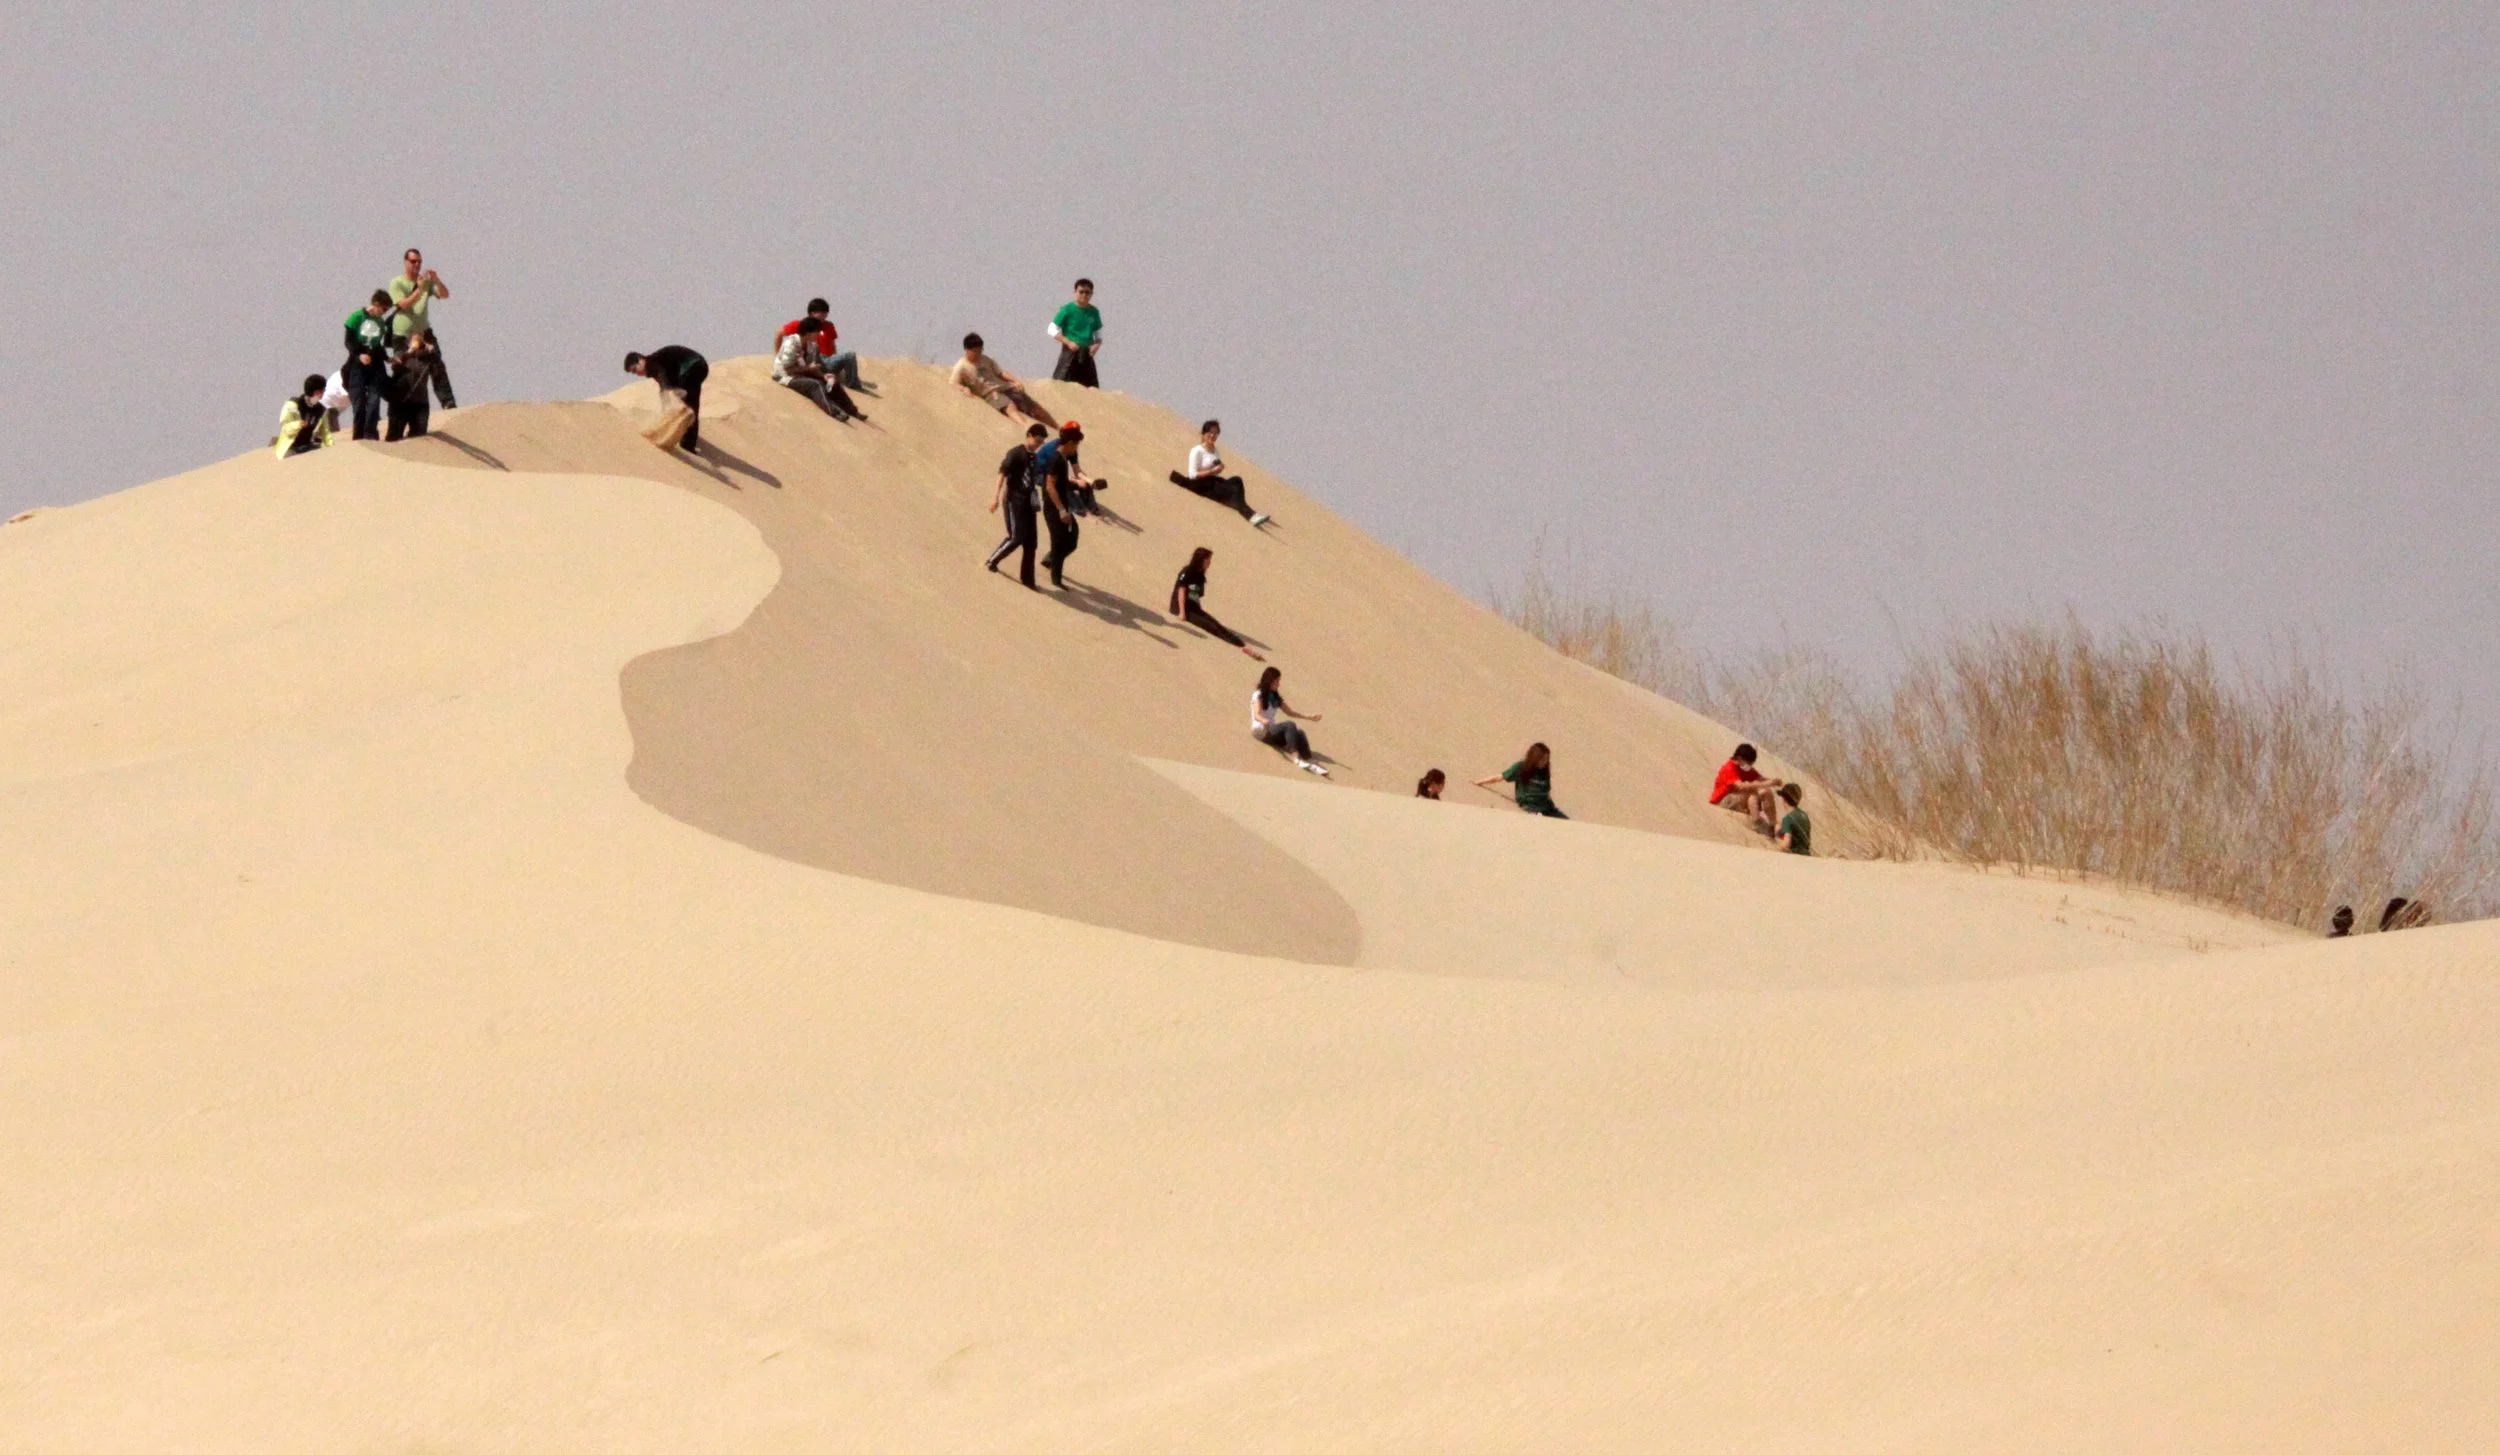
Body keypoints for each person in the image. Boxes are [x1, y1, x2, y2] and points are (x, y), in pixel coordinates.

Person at [1168, 547, 1266, 659]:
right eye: (1208, 560)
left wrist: (1200, 612)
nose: (1210, 563)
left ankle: (1243, 645)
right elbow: (1182, 589)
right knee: (1210, 627)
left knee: (1217, 625)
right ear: (1201, 559)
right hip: (1180, 608)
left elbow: (1195, 596)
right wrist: (1181, 613)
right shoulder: (1188, 571)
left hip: (1193, 608)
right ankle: (1239, 647)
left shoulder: (1200, 576)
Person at [1168, 419, 1271, 526]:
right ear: (1204, 434)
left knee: (1237, 480)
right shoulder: (1197, 451)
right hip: (1202, 485)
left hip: (1213, 482)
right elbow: (1192, 475)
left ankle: (1247, 511)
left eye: (1216, 433)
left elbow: (1215, 472)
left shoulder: (1215, 451)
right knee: (1233, 491)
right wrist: (1212, 471)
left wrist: (1219, 469)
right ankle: (1250, 515)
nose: (1213, 435)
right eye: (1210, 432)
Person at [1036, 421, 1101, 589]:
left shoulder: (1063, 457)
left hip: (1062, 505)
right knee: (1059, 542)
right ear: (1070, 443)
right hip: (1054, 507)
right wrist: (1062, 510)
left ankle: (1051, 562)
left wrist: (1078, 484)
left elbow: (1061, 482)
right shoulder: (1055, 458)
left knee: (1071, 541)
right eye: (1077, 444)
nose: (1077, 448)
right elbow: (1050, 485)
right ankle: (1055, 578)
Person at [386, 248, 455, 406]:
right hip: (402, 335)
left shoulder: (425, 282)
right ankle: (400, 406)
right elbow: (403, 304)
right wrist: (419, 288)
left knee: (437, 364)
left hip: (424, 333)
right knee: (403, 370)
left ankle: (448, 402)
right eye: (413, 261)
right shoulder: (397, 282)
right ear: (406, 262)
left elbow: (444, 294)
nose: (417, 264)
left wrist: (436, 280)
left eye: (419, 261)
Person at [984, 423, 1049, 587]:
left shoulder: (1034, 458)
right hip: (1014, 499)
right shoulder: (1016, 453)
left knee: (1031, 542)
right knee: (1015, 537)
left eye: (1041, 442)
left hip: (1029, 502)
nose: (1038, 444)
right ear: (1029, 436)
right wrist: (995, 497)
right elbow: (1002, 473)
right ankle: (992, 561)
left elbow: (1036, 478)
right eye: (1037, 440)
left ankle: (1027, 579)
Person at [950, 333, 1056, 429]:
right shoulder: (961, 366)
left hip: (1004, 387)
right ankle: (1024, 427)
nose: (978, 353)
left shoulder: (986, 359)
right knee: (1010, 406)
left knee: (1035, 407)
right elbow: (953, 382)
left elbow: (1001, 373)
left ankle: (1057, 428)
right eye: (975, 351)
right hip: (990, 393)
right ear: (967, 349)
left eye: (980, 350)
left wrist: (1016, 381)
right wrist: (964, 388)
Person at [776, 298, 873, 395]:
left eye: (825, 314)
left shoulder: (828, 326)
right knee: (821, 350)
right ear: (812, 313)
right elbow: (779, 334)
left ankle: (853, 385)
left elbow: (832, 345)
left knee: (850, 356)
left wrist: (836, 364)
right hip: (807, 361)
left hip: (826, 361)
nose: (824, 316)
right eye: (821, 313)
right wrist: (777, 355)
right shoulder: (801, 324)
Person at [624, 346, 710, 453]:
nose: (636, 374)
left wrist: (668, 391)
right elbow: (664, 381)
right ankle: (688, 443)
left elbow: (662, 374)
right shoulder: (656, 364)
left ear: (641, 361)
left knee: (685, 406)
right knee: (690, 405)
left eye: (634, 369)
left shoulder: (652, 362)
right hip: (699, 366)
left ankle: (686, 442)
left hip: (691, 366)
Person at [772, 323, 865, 421]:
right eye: (816, 332)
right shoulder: (791, 343)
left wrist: (823, 375)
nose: (818, 334)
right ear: (808, 333)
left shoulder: (811, 346)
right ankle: (834, 412)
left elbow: (811, 367)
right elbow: (788, 368)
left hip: (801, 374)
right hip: (785, 376)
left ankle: (853, 411)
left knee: (832, 382)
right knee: (815, 385)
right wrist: (809, 369)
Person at [1250, 666, 1328, 776]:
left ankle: (1307, 758)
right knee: (1289, 725)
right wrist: (1265, 722)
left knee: (1299, 733)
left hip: (1271, 732)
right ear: (1269, 681)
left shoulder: (1276, 698)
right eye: (1276, 681)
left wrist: (1309, 717)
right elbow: (1257, 714)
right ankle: (1295, 758)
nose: (1279, 684)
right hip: (1261, 731)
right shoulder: (1258, 694)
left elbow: (1290, 712)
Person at [342, 290, 396, 440]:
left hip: (375, 365)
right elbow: (348, 341)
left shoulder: (380, 323)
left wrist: (386, 358)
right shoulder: (356, 317)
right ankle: (358, 437)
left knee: (374, 400)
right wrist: (359, 354)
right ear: (376, 304)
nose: (384, 313)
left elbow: (377, 345)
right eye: (384, 309)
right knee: (358, 403)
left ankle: (370, 434)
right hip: (357, 364)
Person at [385, 329, 448, 441]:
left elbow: (439, 374)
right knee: (394, 437)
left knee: (418, 437)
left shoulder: (429, 358)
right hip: (400, 402)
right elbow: (395, 367)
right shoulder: (402, 354)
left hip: (420, 403)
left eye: (420, 338)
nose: (418, 340)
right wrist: (410, 352)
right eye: (414, 338)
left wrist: (433, 353)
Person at [1477, 743, 1567, 818]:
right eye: (1543, 759)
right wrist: (1479, 782)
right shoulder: (1521, 767)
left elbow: (1547, 792)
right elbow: (1500, 777)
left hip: (1546, 806)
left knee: (1565, 822)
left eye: (1547, 759)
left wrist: (1551, 806)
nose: (1545, 762)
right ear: (1535, 758)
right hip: (1530, 806)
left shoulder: (1544, 771)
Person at [1709, 743, 1785, 832]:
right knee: (1752, 792)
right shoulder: (1728, 768)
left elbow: (1760, 779)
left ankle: (1773, 823)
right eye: (1749, 763)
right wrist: (1766, 783)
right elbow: (1741, 786)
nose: (1750, 766)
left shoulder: (1744, 768)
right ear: (1740, 758)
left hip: (1739, 798)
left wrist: (1773, 782)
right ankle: (1757, 823)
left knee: (1766, 791)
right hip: (1723, 800)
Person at [1049, 278, 1103, 387]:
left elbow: (1098, 332)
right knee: (1061, 383)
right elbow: (1051, 329)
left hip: (1087, 352)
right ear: (1075, 292)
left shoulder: (1094, 312)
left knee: (1091, 388)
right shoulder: (1067, 310)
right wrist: (1068, 342)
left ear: (1091, 294)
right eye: (1081, 292)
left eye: (1087, 292)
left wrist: (1096, 344)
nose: (1084, 295)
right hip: (1070, 352)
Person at [273, 374, 333, 458]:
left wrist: (332, 448)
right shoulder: (292, 405)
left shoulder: (321, 410)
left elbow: (325, 432)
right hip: (290, 448)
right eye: (320, 391)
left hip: (308, 446)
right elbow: (285, 427)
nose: (322, 394)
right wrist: (298, 424)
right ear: (314, 392)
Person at [1773, 782, 1812, 855]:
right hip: (1806, 854)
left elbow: (1786, 843)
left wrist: (1777, 839)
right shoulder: (1804, 815)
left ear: (1784, 799)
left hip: (1795, 855)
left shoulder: (1788, 819)